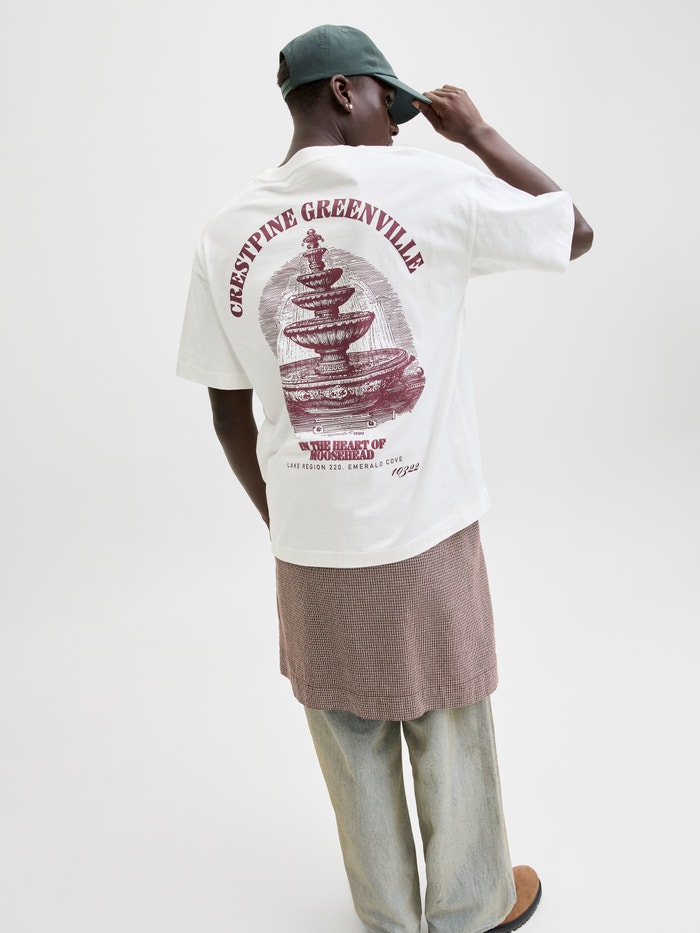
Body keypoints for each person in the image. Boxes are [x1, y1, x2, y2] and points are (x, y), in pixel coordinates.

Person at [176, 23, 593, 933]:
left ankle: (390, 916)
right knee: (449, 711)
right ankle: (472, 906)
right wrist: (477, 133)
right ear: (343, 92)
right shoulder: (432, 184)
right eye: (389, 102)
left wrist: (287, 516)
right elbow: (574, 230)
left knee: (348, 731)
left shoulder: (225, 230)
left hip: (310, 545)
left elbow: (227, 411)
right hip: (424, 521)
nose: (399, 123)